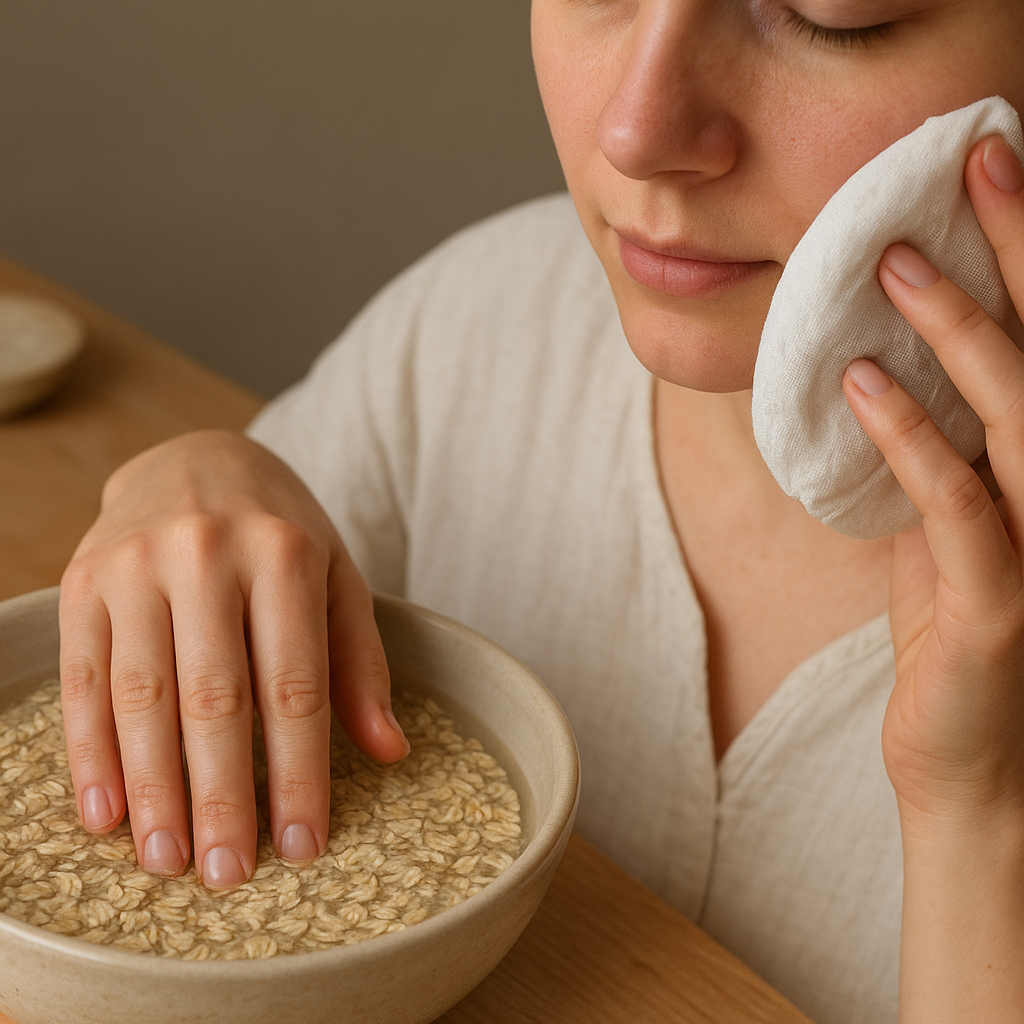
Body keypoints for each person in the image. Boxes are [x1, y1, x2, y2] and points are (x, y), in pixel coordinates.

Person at [56, 2, 1024, 1021]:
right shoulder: (482, 326)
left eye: (831, 16)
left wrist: (977, 809)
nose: (636, 131)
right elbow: (221, 579)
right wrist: (187, 472)